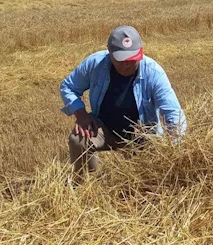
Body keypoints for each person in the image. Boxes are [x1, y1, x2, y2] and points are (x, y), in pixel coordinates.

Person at [61, 25, 187, 175]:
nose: (127, 64)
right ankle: (86, 186)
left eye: (132, 59)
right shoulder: (95, 63)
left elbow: (173, 113)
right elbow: (68, 87)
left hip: (143, 134)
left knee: (142, 182)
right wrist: (81, 114)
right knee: (78, 139)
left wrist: (175, 146)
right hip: (104, 128)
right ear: (110, 53)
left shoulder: (154, 73)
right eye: (121, 60)